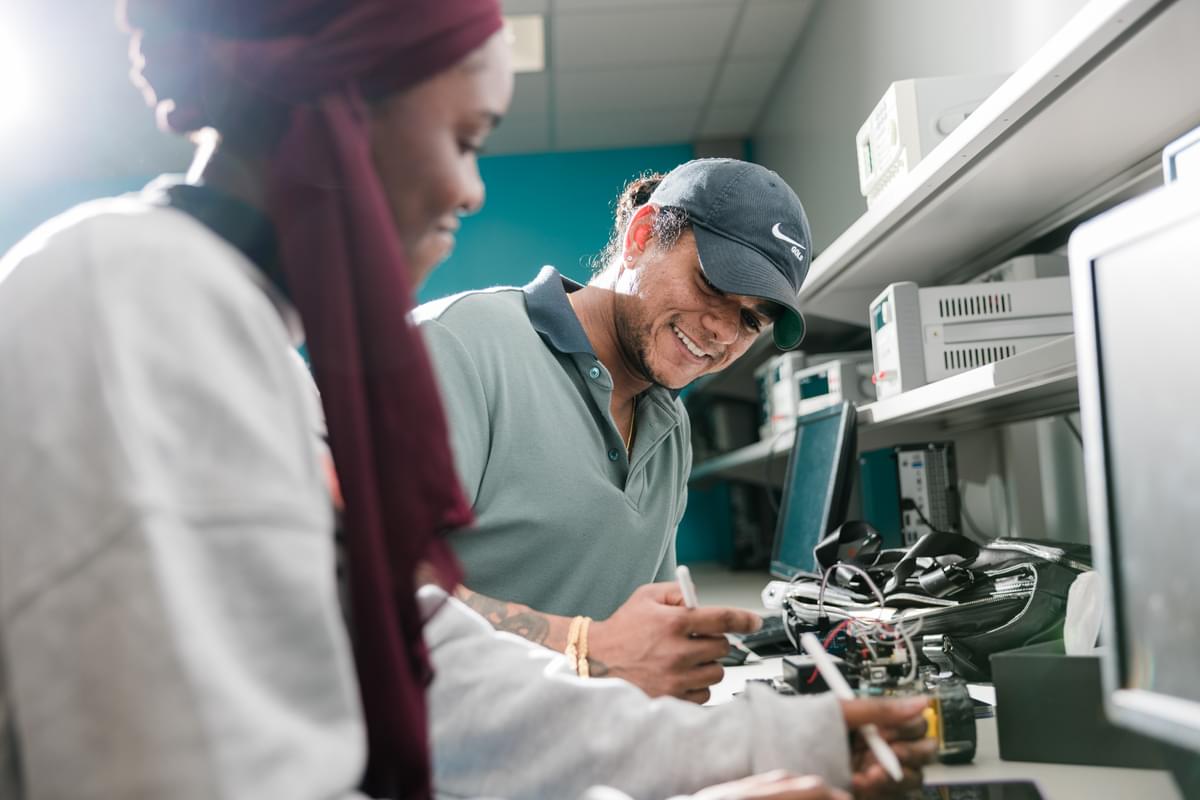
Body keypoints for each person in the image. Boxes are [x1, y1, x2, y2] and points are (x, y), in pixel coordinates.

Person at [0, 1, 932, 798]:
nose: (472, 189)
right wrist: (591, 659)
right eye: (464, 139)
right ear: (344, 106)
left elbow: (413, 657)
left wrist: (766, 745)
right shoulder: (127, 304)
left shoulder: (240, 338)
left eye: (754, 320)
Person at [416, 158, 813, 699]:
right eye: (714, 285)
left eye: (750, 320)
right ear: (641, 236)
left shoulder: (671, 429)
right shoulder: (457, 347)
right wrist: (585, 649)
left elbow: (644, 639)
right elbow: (370, 588)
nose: (722, 330)